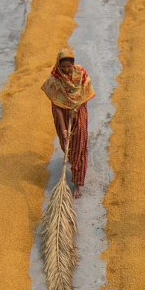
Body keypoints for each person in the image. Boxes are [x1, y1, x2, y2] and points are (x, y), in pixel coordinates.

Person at [41, 48, 95, 198]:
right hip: (62, 114)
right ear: (58, 65)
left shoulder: (81, 73)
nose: (65, 70)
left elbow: (86, 93)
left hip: (79, 110)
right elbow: (57, 106)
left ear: (73, 64)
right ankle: (73, 161)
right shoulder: (55, 78)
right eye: (63, 67)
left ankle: (77, 183)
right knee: (67, 145)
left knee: (79, 145)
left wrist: (76, 108)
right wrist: (64, 130)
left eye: (68, 67)